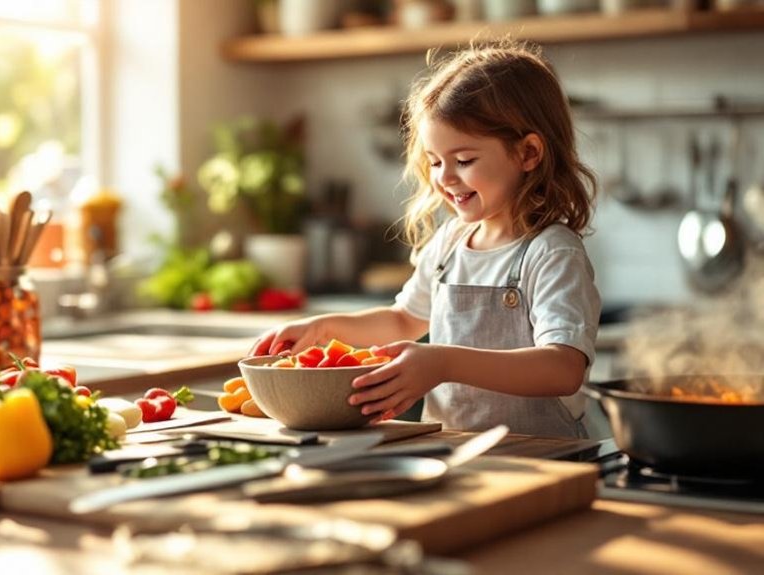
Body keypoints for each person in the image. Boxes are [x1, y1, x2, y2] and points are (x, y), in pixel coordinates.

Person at [250, 41, 601, 438]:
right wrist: (325, 328)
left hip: (546, 459)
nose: (445, 178)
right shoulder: (451, 242)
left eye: (464, 161)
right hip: (459, 452)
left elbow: (562, 368)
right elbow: (403, 320)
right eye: (435, 161)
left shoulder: (552, 252)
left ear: (528, 153)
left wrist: (442, 363)